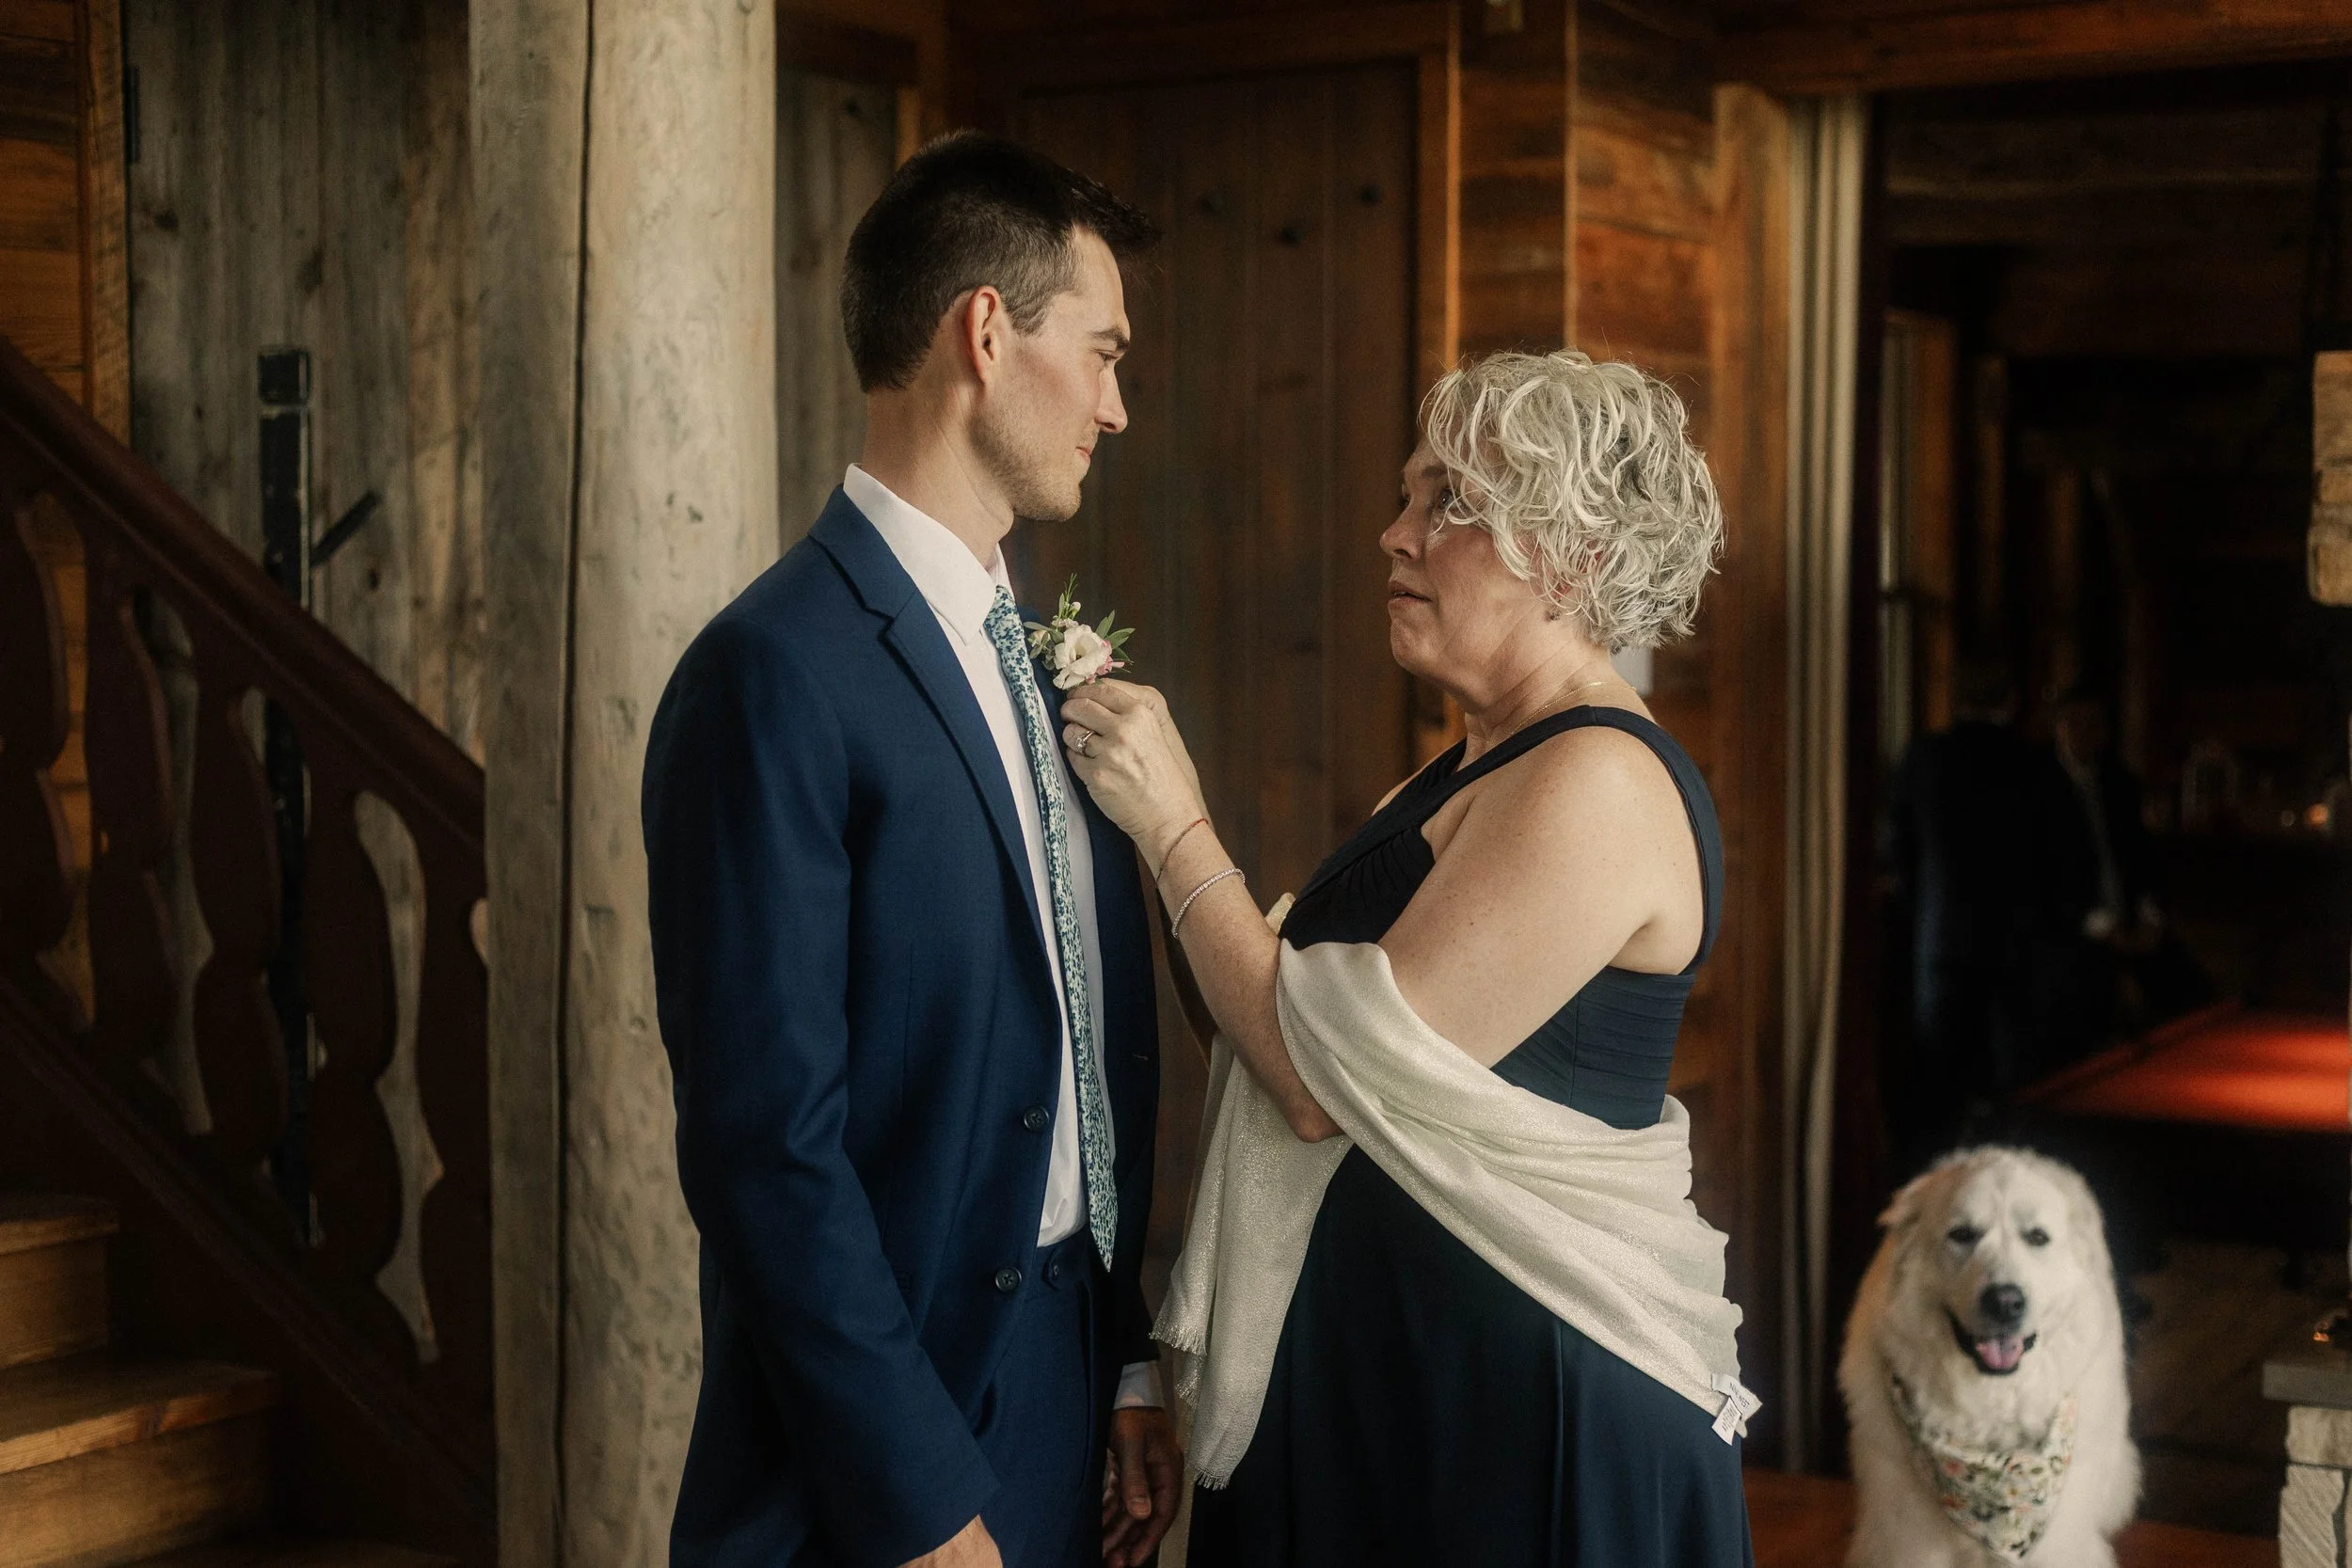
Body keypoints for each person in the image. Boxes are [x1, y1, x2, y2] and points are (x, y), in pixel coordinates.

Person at [1058, 351, 1756, 1566]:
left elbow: (1323, 1076)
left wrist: (1174, 824)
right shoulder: (1476, 763)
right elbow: (1273, 1015)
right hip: (1407, 1398)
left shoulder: (1599, 779)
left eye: (1450, 504)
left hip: (1525, 1419)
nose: (1394, 533)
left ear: (1573, 558)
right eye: (1408, 494)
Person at [641, 134, 1181, 1568]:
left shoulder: (1043, 659)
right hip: (887, 1436)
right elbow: (766, 1147)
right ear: (987, 334)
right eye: (1104, 350)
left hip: (1068, 1383)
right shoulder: (769, 673)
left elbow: (1084, 1038)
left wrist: (1122, 1358)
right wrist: (918, 1493)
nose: (1118, 406)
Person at [1882, 659, 2044, 1172]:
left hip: (1940, 940)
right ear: (2011, 700)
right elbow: (2050, 859)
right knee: (2008, 1096)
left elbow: (1899, 849)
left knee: (1938, 1092)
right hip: (2013, 950)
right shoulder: (2030, 762)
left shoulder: (1926, 756)